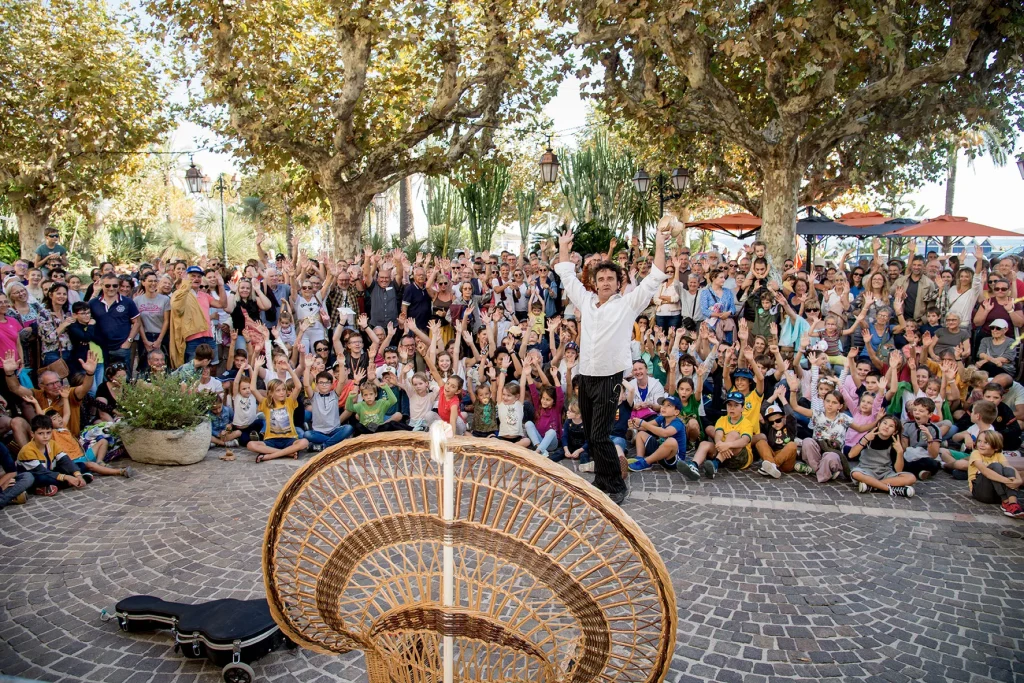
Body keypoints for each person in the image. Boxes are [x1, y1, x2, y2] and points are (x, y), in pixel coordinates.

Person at [553, 219, 669, 504]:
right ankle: (603, 480)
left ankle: (616, 486)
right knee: (593, 435)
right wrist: (563, 248)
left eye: (610, 279)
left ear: (619, 284)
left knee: (599, 434)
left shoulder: (628, 304)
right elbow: (567, 277)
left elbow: (656, 275)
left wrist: (661, 243)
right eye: (601, 279)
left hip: (610, 377)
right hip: (587, 375)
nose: (605, 283)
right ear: (595, 282)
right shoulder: (587, 301)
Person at [89, 273, 141, 380]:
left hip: (121, 347)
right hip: (101, 348)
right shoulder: (93, 303)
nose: (111, 288)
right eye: (107, 286)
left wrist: (128, 342)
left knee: (124, 380)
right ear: (102, 285)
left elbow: (137, 322)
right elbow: (82, 316)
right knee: (103, 380)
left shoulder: (127, 302)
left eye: (115, 286)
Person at [967, 431, 1023, 518]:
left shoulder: (999, 455)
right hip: (981, 491)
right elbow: (985, 471)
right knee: (995, 466)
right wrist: (1007, 481)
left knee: (1008, 469)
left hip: (996, 494)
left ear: (996, 447)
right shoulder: (976, 453)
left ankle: (1012, 503)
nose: (981, 445)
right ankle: (1005, 501)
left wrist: (1019, 481)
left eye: (986, 442)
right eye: (979, 441)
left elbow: (1009, 467)